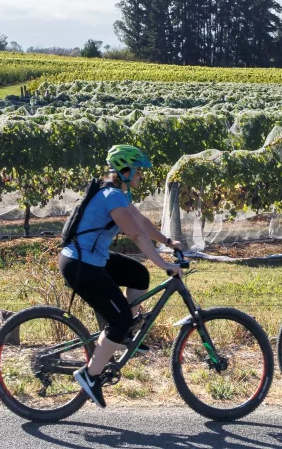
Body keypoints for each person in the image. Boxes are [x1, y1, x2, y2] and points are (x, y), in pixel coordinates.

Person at [59, 144, 184, 408]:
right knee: (121, 319)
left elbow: (143, 224)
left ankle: (123, 334)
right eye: (139, 171)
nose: (141, 176)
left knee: (138, 275)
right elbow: (136, 235)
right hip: (81, 265)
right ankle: (90, 375)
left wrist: (168, 241)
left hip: (92, 259)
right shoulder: (112, 197)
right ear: (125, 171)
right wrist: (164, 264)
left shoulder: (119, 194)